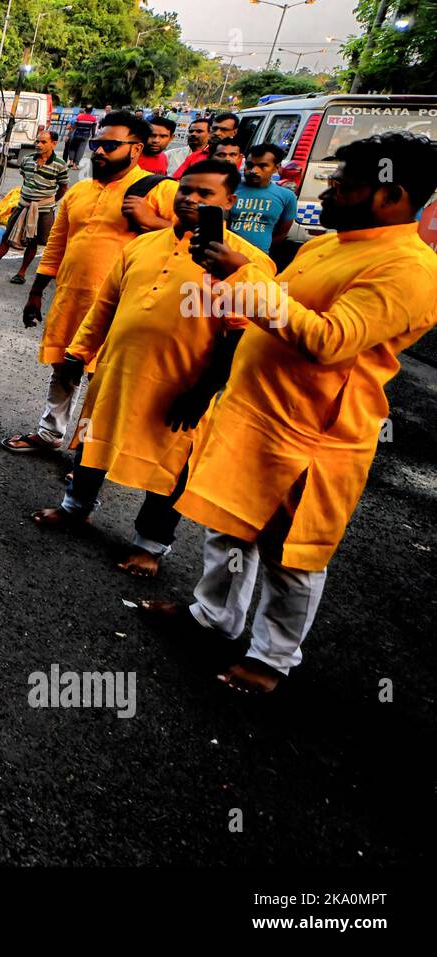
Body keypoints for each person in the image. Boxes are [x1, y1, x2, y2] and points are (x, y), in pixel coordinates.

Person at [143, 131, 437, 694]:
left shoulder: (408, 269)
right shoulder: (326, 246)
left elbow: (330, 340)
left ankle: (272, 658)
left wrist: (243, 274)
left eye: (341, 184)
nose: (324, 193)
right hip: (254, 412)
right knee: (228, 524)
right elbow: (272, 311)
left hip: (314, 432)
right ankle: (214, 616)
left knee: (291, 550)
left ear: (389, 194)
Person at [30, 160, 274, 577]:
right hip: (117, 371)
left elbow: (243, 335)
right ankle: (76, 508)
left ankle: (151, 544)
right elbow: (105, 306)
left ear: (230, 203)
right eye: (186, 191)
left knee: (170, 463)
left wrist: (204, 390)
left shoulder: (247, 262)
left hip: (181, 383)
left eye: (205, 194)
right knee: (93, 440)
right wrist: (78, 351)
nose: (191, 199)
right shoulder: (141, 245)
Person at [3, 111, 178, 454]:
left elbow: (189, 241)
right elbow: (56, 245)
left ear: (136, 149)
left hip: (123, 306)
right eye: (97, 144)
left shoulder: (161, 190)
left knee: (104, 382)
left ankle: (89, 452)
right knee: (64, 368)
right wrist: (36, 292)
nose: (98, 152)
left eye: (110, 146)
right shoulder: (79, 192)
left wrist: (151, 220)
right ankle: (50, 433)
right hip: (72, 298)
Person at [0, 129, 68, 282]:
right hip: (23, 205)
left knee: (34, 242)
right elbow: (25, 180)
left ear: (53, 144)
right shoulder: (27, 160)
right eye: (37, 141)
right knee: (7, 237)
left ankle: (21, 273)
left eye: (43, 142)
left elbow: (63, 188)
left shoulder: (60, 165)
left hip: (44, 210)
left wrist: (49, 202)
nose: (38, 145)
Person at [228, 142, 297, 255]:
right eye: (250, 165)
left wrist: (260, 251)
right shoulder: (229, 188)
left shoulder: (287, 196)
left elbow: (281, 233)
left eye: (262, 166)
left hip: (260, 259)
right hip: (225, 255)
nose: (254, 171)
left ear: (276, 168)